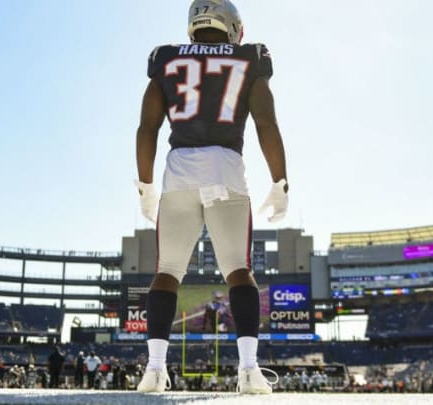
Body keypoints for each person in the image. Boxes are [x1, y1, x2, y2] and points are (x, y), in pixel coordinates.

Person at [134, 0, 288, 395]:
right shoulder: (249, 57)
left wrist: (146, 184)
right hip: (226, 167)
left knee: (166, 271)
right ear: (233, 25)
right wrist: (280, 181)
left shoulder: (165, 58)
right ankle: (249, 371)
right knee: (238, 268)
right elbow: (266, 122)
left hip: (179, 170)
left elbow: (147, 127)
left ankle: (154, 370)